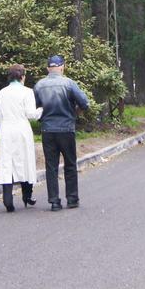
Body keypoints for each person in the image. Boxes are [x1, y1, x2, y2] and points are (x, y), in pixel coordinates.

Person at [33, 54, 90, 211]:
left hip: (47, 130)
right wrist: (75, 113)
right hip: (66, 128)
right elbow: (85, 103)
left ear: (47, 68)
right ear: (62, 67)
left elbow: (35, 108)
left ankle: (54, 201)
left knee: (51, 166)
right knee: (70, 164)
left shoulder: (39, 85)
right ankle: (72, 199)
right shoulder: (69, 83)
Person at [0, 64, 43, 212]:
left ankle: (8, 199)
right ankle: (27, 195)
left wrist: (2, 130)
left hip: (6, 129)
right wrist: (41, 109)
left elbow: (0, 115)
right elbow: (31, 114)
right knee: (25, 161)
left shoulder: (2, 93)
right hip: (22, 129)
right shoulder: (27, 92)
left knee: (7, 162)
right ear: (22, 76)